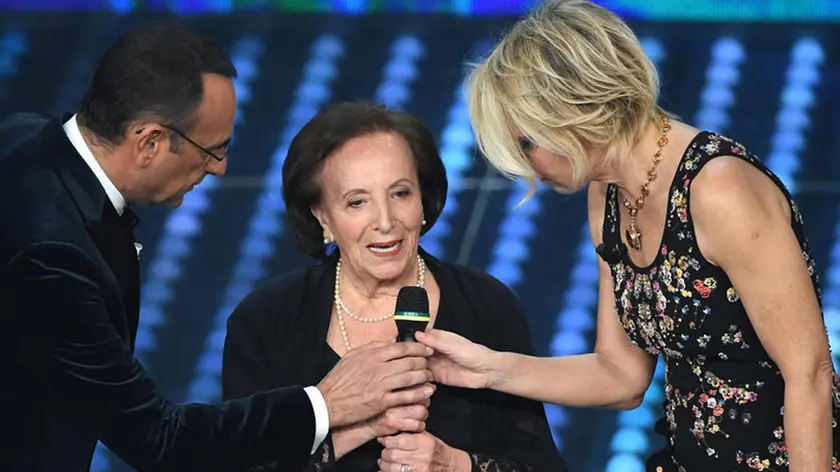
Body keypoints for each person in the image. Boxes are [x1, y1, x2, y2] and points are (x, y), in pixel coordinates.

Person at [412, 1, 840, 471]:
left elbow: (811, 373)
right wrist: (489, 368)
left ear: (572, 107)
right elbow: (621, 376)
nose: (525, 164)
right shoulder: (608, 191)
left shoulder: (718, 191)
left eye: (527, 141)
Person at [0, 23, 435, 472]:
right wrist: (326, 403)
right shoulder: (53, 257)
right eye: (212, 149)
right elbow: (159, 438)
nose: (221, 168)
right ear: (149, 142)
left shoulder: (24, 138)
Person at [221, 101, 567, 472]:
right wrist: (352, 432)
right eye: (357, 202)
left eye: (400, 194)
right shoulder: (266, 321)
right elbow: (241, 463)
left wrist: (453, 464)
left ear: (423, 200)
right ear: (322, 216)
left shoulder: (488, 305)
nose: (385, 222)